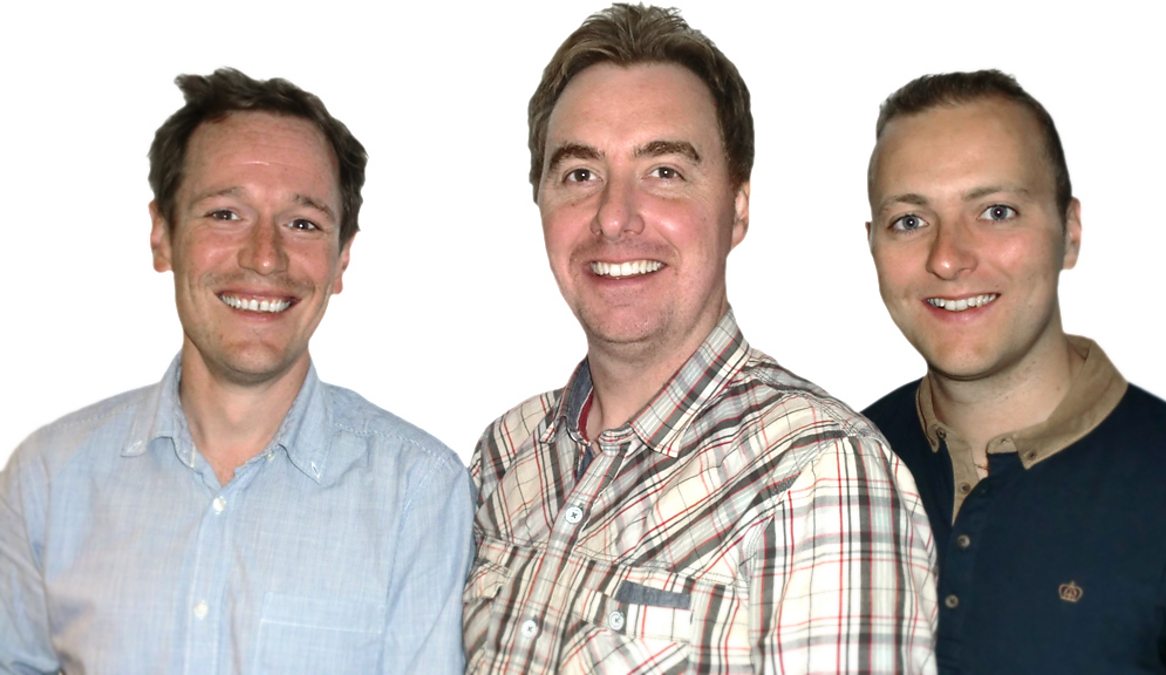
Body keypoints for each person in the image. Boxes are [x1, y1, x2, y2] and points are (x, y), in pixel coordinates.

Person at [463, 5, 938, 672]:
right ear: (539, 200)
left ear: (737, 208)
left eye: (665, 172)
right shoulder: (505, 455)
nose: (614, 218)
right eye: (579, 174)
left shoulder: (819, 477)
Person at [0, 68, 472, 674]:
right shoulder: (46, 480)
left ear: (341, 260)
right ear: (162, 235)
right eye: (225, 214)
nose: (265, 257)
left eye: (303, 224)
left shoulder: (420, 494)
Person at [863, 69, 1166, 673]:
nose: (947, 258)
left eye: (996, 212)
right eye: (909, 221)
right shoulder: (834, 467)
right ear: (873, 246)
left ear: (1069, 233)